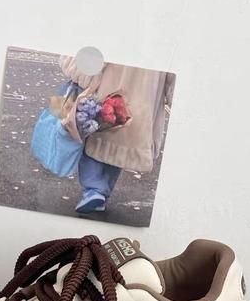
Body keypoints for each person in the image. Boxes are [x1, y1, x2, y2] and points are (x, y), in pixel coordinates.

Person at [59, 56, 174, 214]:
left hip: (112, 83)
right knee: (121, 142)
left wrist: (80, 71)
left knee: (97, 133)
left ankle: (94, 189)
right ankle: (100, 191)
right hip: (145, 96)